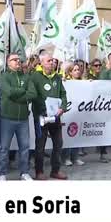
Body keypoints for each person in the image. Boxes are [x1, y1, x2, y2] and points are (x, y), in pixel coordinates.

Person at [29, 52, 68, 180]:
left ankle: (55, 170)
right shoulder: (35, 77)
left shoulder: (57, 77)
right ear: (41, 63)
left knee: (58, 143)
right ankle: (39, 171)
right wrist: (42, 109)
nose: (52, 63)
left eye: (52, 60)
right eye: (49, 61)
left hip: (55, 117)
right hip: (42, 117)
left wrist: (62, 107)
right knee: (40, 145)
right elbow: (33, 95)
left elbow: (63, 94)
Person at [0, 53, 33, 181]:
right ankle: (2, 173)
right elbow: (9, 92)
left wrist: (19, 94)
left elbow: (32, 94)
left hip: (23, 118)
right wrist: (23, 91)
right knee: (4, 147)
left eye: (19, 59)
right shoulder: (4, 77)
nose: (18, 61)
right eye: (14, 60)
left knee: (24, 147)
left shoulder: (26, 77)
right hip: (8, 117)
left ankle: (24, 172)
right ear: (8, 62)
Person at [60, 62, 85, 167]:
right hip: (69, 112)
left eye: (78, 69)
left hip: (79, 113)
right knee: (68, 135)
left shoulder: (83, 82)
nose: (77, 71)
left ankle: (75, 157)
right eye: (74, 70)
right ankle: (65, 158)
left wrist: (91, 83)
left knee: (77, 136)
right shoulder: (67, 82)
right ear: (70, 72)